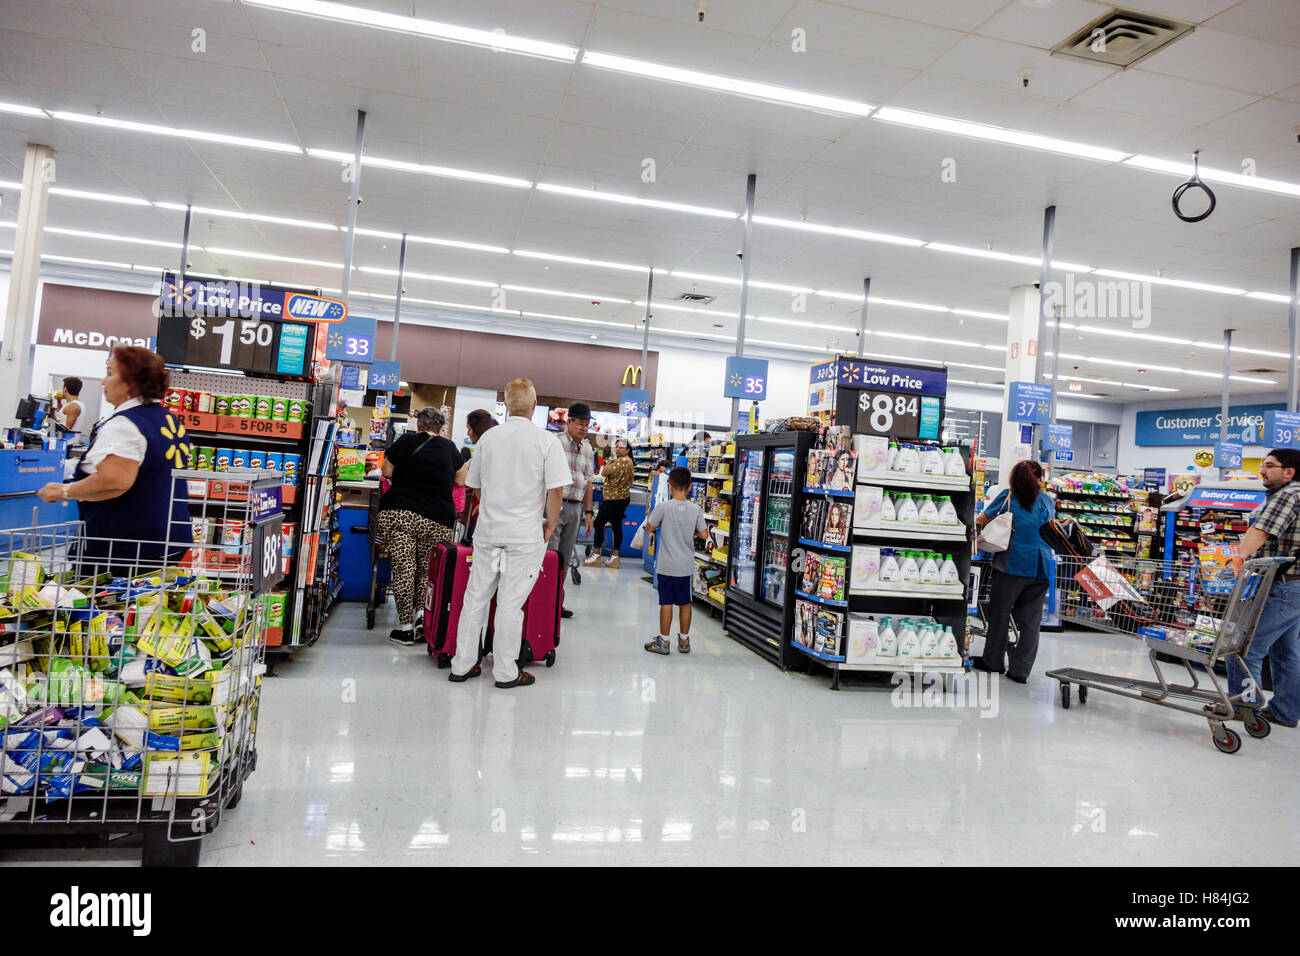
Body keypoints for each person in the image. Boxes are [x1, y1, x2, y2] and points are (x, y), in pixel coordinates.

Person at [449, 378, 569, 689]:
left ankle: (462, 665)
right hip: (525, 534)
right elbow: (555, 490)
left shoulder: (488, 439)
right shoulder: (546, 441)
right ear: (534, 404)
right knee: (510, 604)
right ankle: (505, 672)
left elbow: (473, 485)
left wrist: (483, 510)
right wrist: (551, 524)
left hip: (488, 532)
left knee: (475, 599)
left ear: (505, 405)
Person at [36, 347, 190, 570]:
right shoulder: (168, 420)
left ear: (130, 381)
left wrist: (62, 491)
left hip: (123, 547)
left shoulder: (125, 424)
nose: (102, 381)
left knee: (98, 603)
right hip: (169, 538)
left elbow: (114, 481)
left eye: (110, 373)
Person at [375, 407, 467, 646]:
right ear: (441, 428)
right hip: (437, 518)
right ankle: (421, 618)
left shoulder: (405, 441)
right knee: (427, 571)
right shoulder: (450, 448)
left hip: (401, 513)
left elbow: (386, 471)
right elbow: (461, 479)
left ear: (419, 425)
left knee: (405, 567)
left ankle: (405, 628)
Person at [1227, 448, 1300, 727]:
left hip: (1281, 587)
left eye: (1269, 466)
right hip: (1294, 586)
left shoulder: (1287, 495)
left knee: (1244, 649)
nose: (1262, 470)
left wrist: (1232, 562)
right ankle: (1285, 711)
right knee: (1286, 653)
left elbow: (1261, 532)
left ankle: (1246, 708)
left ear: (1288, 472)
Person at [973, 459, 1055, 683]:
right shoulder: (1048, 502)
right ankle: (1020, 671)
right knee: (1030, 621)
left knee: (999, 613)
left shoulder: (1008, 496)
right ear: (1040, 479)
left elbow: (982, 520)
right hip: (1041, 566)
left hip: (1013, 563)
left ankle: (993, 662)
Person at [643, 466, 708, 656]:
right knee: (685, 603)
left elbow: (649, 528)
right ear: (690, 487)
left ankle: (663, 642)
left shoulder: (663, 507)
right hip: (685, 566)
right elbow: (704, 534)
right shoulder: (695, 509)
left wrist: (661, 525)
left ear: (669, 486)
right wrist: (692, 530)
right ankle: (685, 640)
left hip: (666, 566)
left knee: (666, 603)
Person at [549, 401, 595, 614]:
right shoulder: (554, 442)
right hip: (554, 505)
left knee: (565, 558)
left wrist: (588, 513)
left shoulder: (588, 448)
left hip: (575, 509)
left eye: (587, 424)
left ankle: (556, 602)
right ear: (570, 422)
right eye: (581, 423)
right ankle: (543, 600)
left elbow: (588, 483)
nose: (585, 428)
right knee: (550, 555)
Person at [584, 437, 634, 569]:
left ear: (627, 450)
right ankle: (615, 557)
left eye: (621, 447)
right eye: (616, 447)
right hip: (623, 498)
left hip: (613, 499)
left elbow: (604, 472)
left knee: (599, 523)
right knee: (616, 525)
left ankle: (596, 554)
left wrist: (609, 463)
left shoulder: (621, 461)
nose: (617, 449)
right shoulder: (629, 462)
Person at [461, 409, 497, 545]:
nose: (467, 433)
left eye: (469, 429)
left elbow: (474, 482)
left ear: (477, 429)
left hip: (486, 515)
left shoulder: (483, 450)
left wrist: (484, 502)